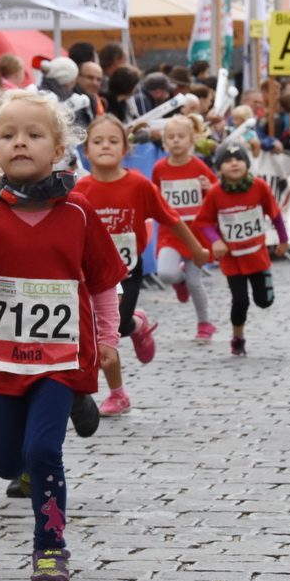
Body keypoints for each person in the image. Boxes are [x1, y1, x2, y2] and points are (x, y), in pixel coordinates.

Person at [0, 90, 129, 581]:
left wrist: (106, 338)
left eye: (34, 135)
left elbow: (103, 281)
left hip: (62, 356)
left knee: (41, 452)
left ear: (57, 149)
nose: (20, 143)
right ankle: (72, 406)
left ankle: (50, 547)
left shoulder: (78, 212)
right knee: (4, 462)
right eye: (8, 135)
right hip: (4, 357)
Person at [75, 114, 207, 415]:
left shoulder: (138, 185)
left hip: (127, 270)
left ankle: (135, 324)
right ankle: (118, 393)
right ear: (86, 151)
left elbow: (170, 217)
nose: (105, 146)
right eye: (97, 141)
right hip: (91, 272)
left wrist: (196, 248)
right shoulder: (80, 190)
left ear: (125, 150)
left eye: (113, 141)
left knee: (116, 327)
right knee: (97, 333)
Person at [192, 143, 288, 358]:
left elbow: (275, 214)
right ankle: (237, 337)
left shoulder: (259, 186)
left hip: (257, 256)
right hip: (232, 259)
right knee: (241, 300)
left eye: (238, 159)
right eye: (226, 161)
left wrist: (283, 239)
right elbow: (202, 222)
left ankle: (266, 285)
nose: (233, 163)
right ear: (218, 168)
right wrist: (216, 240)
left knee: (264, 301)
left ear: (247, 163)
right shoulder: (216, 192)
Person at [151, 114, 219, 344]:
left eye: (181, 136)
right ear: (164, 141)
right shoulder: (159, 168)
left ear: (191, 140)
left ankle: (205, 323)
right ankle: (178, 282)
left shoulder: (198, 165)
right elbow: (155, 195)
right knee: (166, 273)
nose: (176, 141)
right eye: (171, 137)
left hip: (196, 233)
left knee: (195, 282)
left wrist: (208, 188)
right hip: (171, 232)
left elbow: (215, 193)